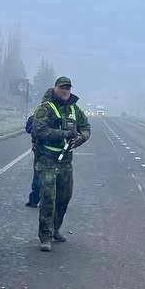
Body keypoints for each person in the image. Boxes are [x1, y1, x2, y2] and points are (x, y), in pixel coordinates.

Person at [30, 76, 91, 251]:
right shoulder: (45, 108)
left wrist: (80, 138)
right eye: (62, 87)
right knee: (48, 197)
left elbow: (86, 127)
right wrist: (64, 134)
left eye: (68, 88)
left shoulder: (74, 109)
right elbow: (39, 131)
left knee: (64, 197)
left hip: (66, 161)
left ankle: (56, 229)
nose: (65, 91)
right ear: (55, 88)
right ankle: (45, 237)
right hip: (47, 159)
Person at [24, 113, 41, 207]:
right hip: (60, 151)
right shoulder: (65, 113)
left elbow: (28, 129)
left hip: (40, 149)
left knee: (38, 175)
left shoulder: (40, 112)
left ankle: (34, 200)